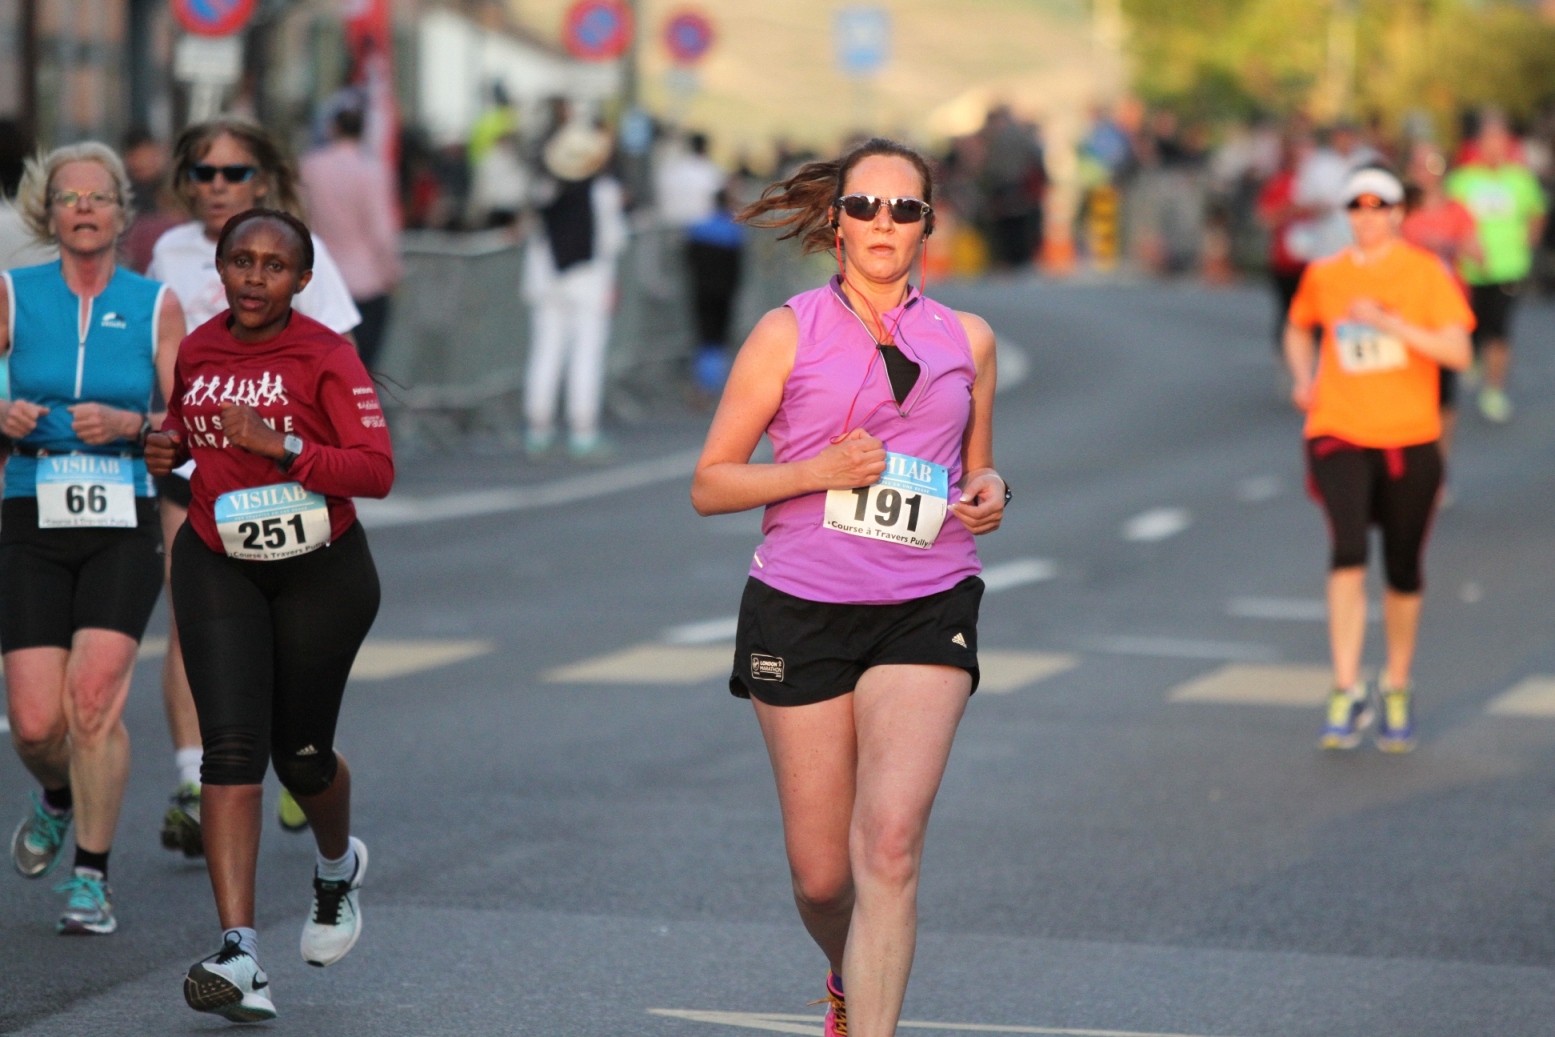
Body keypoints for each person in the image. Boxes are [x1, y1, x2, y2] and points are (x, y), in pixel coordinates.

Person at [692, 138, 1007, 1037]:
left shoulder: (968, 339)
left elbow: (976, 469)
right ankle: (845, 972)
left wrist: (991, 490)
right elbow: (710, 482)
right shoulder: (786, 331)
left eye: (903, 209)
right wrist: (815, 472)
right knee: (824, 877)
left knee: (890, 845)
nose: (882, 223)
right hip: (801, 606)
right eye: (865, 205)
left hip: (927, 599)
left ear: (926, 226)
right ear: (835, 221)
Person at [145, 208, 393, 1022]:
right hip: (219, 559)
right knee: (231, 747)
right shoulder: (200, 348)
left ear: (302, 280)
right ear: (219, 269)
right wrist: (168, 445)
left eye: (274, 265)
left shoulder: (327, 355)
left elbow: (375, 470)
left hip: (321, 570)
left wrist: (281, 445)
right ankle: (239, 952)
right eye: (241, 261)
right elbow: (189, 432)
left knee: (301, 754)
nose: (255, 277)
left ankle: (336, 867)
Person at [148, 118, 362, 857]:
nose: (217, 186)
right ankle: (192, 776)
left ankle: (299, 753)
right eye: (203, 172)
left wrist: (293, 440)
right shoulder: (170, 253)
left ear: (262, 179)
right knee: (192, 615)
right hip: (196, 470)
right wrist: (168, 431)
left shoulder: (304, 253)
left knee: (285, 635)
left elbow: (339, 360)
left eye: (233, 173)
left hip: (283, 477)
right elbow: (161, 353)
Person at [2, 142, 185, 933]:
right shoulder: (11, 292)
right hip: (30, 510)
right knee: (36, 723)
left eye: (98, 196)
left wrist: (131, 423)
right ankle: (58, 794)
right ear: (48, 213)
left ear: (120, 211)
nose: (83, 208)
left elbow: (185, 422)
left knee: (92, 701)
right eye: (68, 196)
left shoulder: (156, 303)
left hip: (122, 516)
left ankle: (91, 877)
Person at [1283, 168, 1473, 754]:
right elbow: (1298, 328)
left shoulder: (1426, 272)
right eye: (1356, 207)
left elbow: (1458, 352)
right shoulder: (1325, 274)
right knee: (1347, 550)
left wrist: (1387, 320)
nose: (1367, 217)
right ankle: (1345, 687)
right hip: (1338, 429)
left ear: (1398, 213)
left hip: (1410, 436)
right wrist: (1302, 377)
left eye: (1379, 206)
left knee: (1402, 566)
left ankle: (1395, 683)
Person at [522, 119, 626, 461]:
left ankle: (538, 427)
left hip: (547, 283)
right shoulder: (604, 192)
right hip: (590, 283)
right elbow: (613, 241)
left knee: (545, 352)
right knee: (586, 355)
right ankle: (583, 430)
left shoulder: (545, 189)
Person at [1446, 110, 1548, 423]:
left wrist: (1529, 240)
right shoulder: (1463, 180)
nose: (1495, 145)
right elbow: (1449, 219)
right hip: (1468, 271)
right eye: (1489, 138)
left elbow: (1537, 210)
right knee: (1472, 325)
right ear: (1478, 143)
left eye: (1501, 138)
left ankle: (1493, 390)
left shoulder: (1520, 178)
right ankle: (1473, 355)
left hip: (1507, 267)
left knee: (1499, 330)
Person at [299, 105, 403, 368]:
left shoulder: (311, 166)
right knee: (364, 367)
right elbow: (381, 231)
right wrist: (391, 273)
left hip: (320, 276)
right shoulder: (371, 169)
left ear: (333, 129)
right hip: (366, 280)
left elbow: (301, 217)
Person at [1402, 142, 1480, 465]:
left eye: (1433, 165)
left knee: (1444, 396)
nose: (1427, 173)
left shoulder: (1456, 210)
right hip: (1406, 312)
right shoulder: (1399, 210)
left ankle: (1437, 465)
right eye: (1420, 166)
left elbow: (1479, 255)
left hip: (1446, 312)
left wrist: (1446, 245)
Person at [1257, 130, 1314, 351]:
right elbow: (1265, 217)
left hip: (1315, 258)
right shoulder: (1279, 183)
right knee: (1288, 310)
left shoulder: (1318, 182)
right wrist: (1290, 210)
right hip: (1285, 258)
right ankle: (1287, 352)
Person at [685, 187, 746, 394]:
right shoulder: (734, 232)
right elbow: (738, 267)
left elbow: (689, 261)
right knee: (720, 335)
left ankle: (703, 380)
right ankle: (717, 381)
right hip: (725, 292)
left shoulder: (698, 229)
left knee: (704, 334)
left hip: (701, 289)